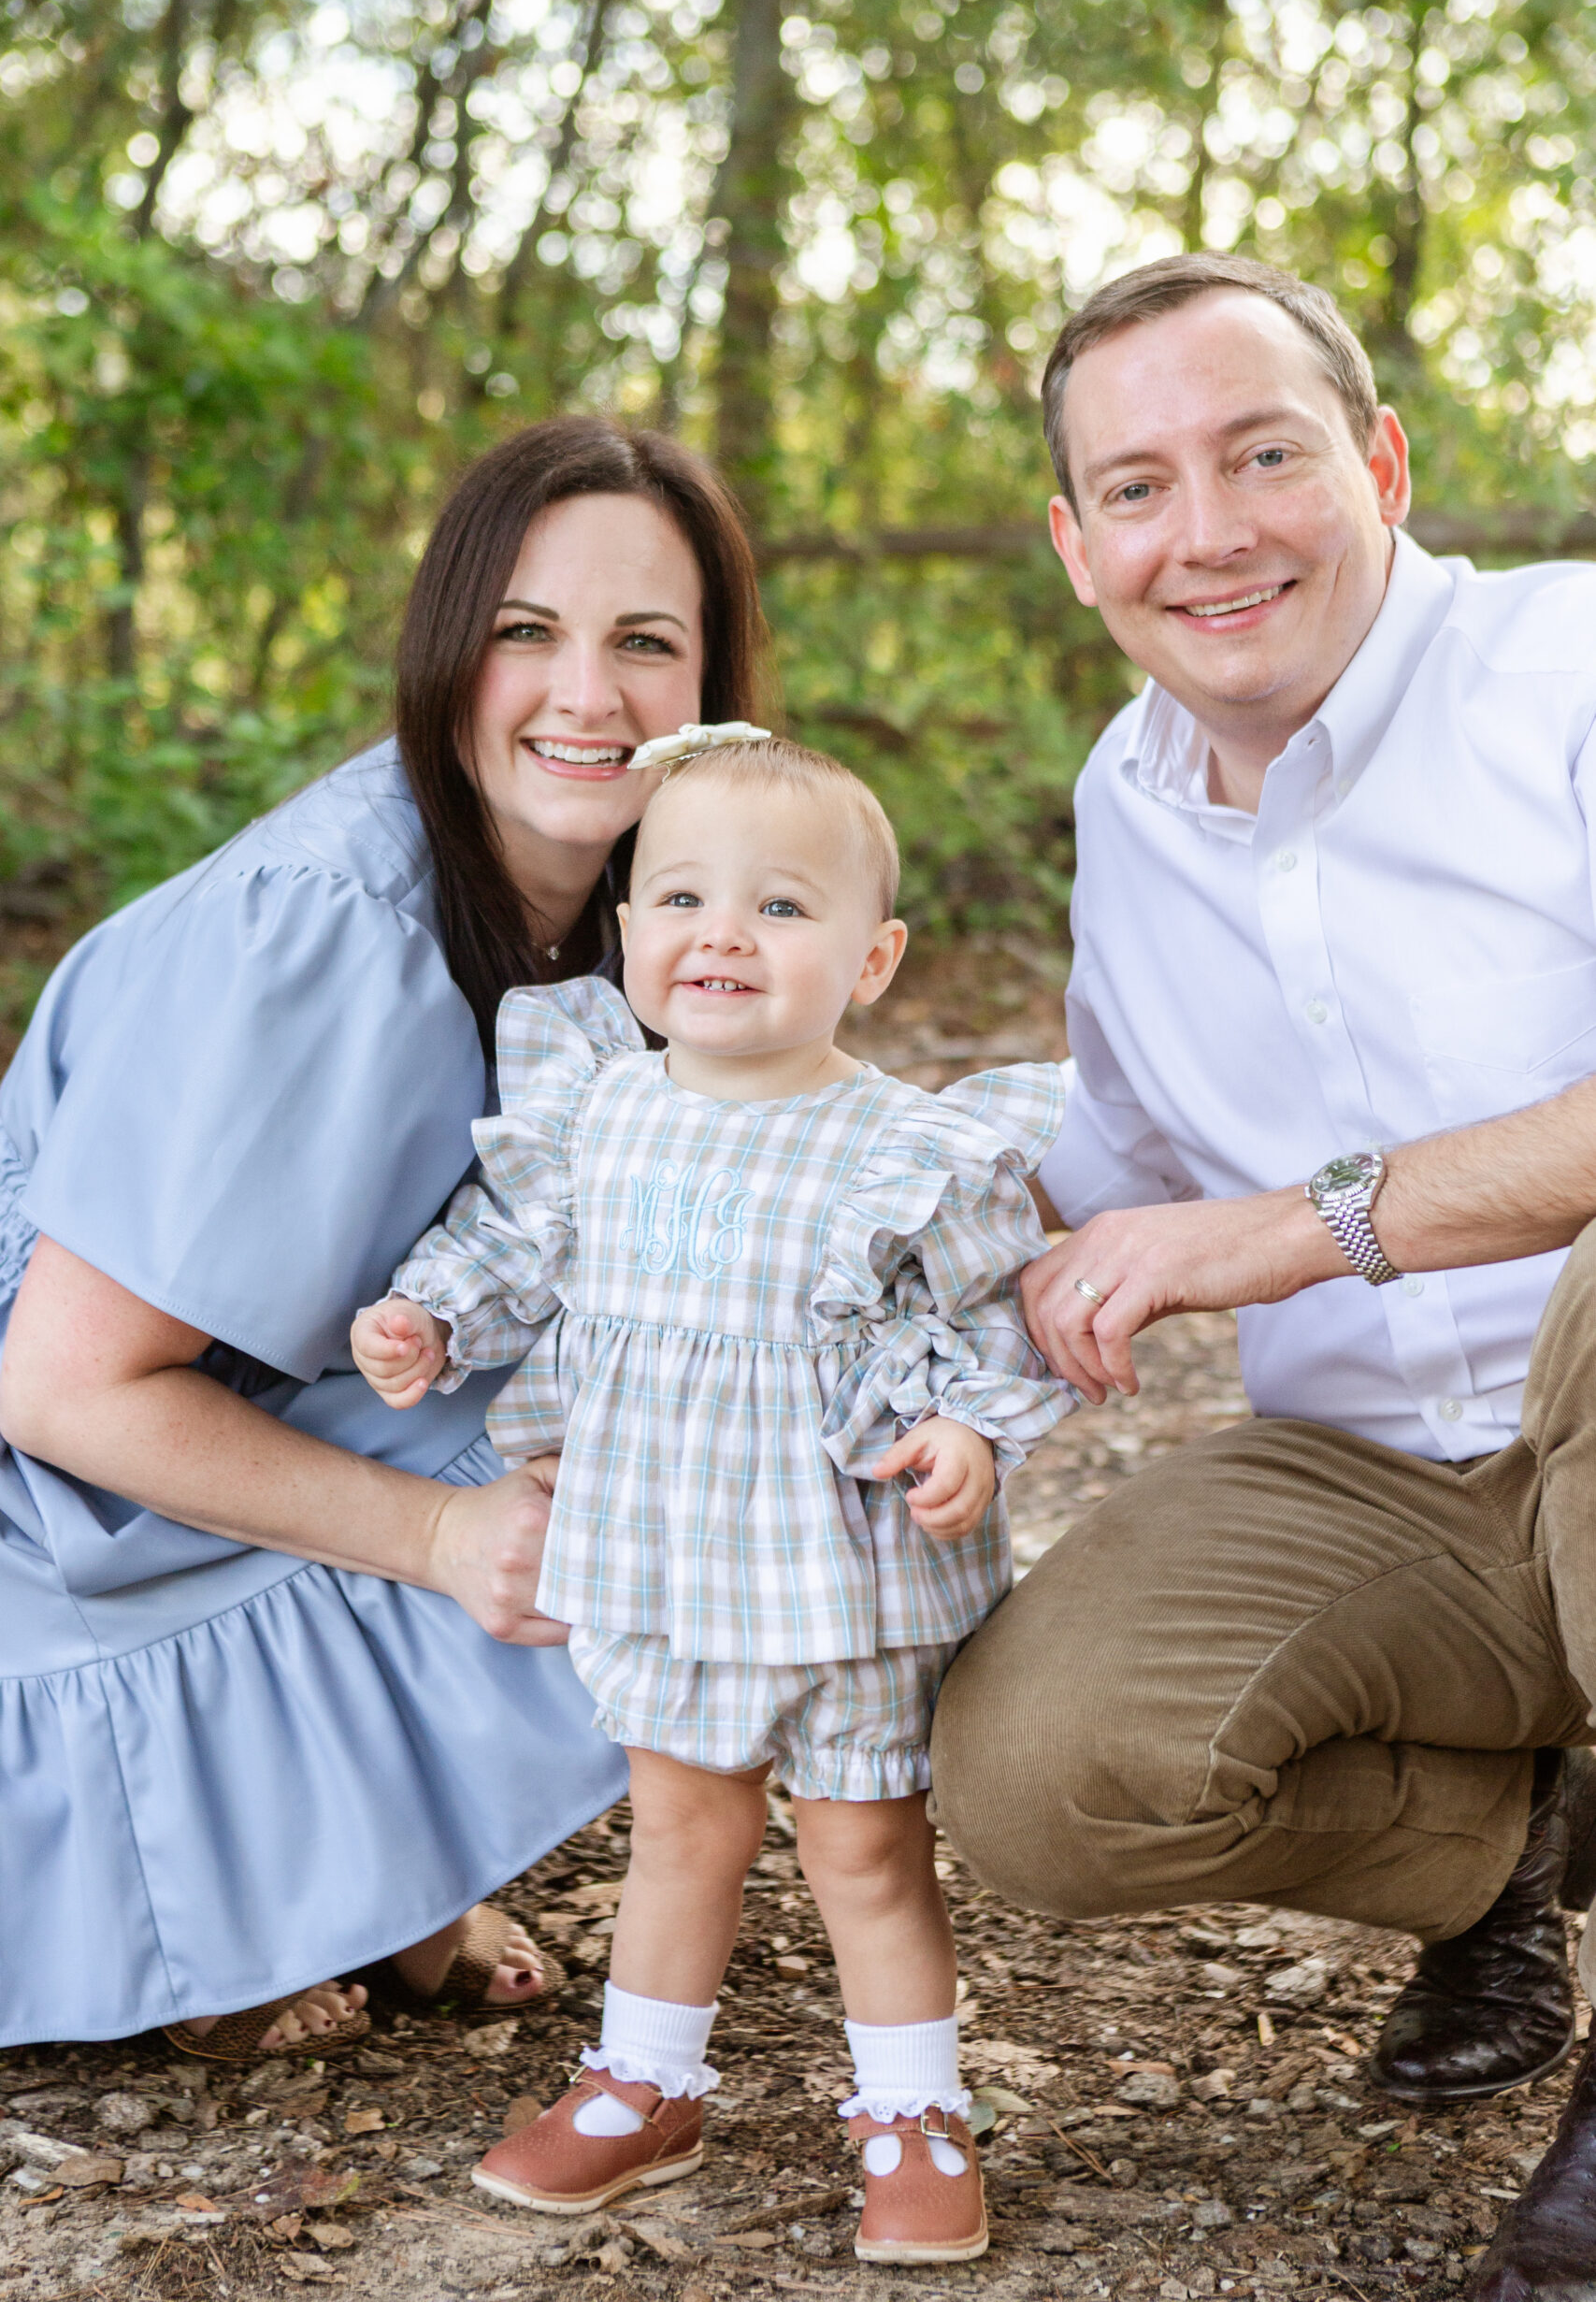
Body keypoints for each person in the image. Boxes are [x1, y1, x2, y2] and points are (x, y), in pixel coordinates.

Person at [926, 252, 1596, 2300]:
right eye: (1133, 487)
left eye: (1260, 455)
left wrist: (1281, 1228)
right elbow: (1107, 1160)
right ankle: (1506, 1863)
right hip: (1395, 1486)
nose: (1202, 532)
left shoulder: (1563, 670)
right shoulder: (1120, 809)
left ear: (1377, 459)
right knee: (1038, 1771)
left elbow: (1226, 1215)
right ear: (1072, 545)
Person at [0, 417, 769, 2060]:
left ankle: (381, 1880)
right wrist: (440, 1543)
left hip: (260, 1407)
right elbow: (61, 1394)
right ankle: (234, 1899)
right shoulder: (329, 925)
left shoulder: (643, 902)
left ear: (713, 686)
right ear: (446, 651)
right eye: (525, 634)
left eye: (648, 642)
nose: (588, 696)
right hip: (60, 1516)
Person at [350, 735, 1069, 2264]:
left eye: (782, 908)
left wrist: (967, 1432)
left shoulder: (905, 1147)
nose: (722, 932)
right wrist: (429, 1320)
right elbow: (510, 1250)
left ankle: (915, 2112)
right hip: (669, 1560)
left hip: (845, 1577)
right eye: (679, 894)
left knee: (866, 1850)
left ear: (871, 958)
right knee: (680, 1829)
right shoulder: (598, 1114)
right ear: (629, 935)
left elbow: (989, 1314)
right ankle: (643, 2087)